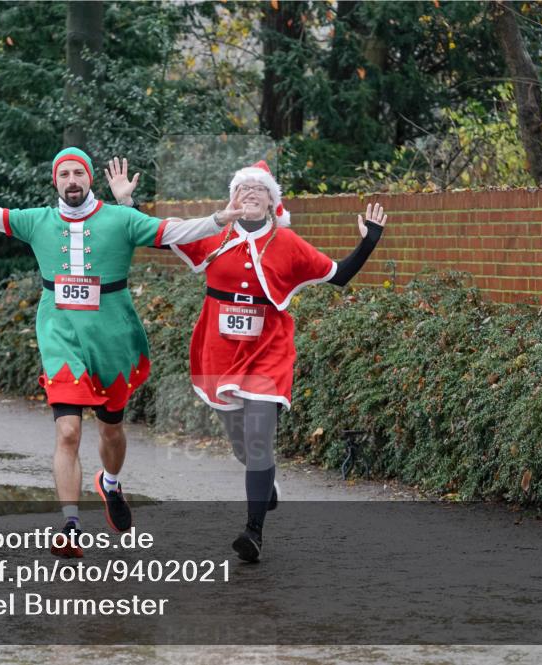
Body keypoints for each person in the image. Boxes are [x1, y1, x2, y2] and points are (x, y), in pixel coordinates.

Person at [0, 141, 244, 557]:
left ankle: (110, 483)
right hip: (60, 336)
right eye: (64, 175)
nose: (71, 181)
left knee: (111, 430)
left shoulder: (121, 220)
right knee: (68, 431)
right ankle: (70, 525)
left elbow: (173, 231)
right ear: (54, 181)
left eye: (78, 173)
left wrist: (219, 218)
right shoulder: (36, 221)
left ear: (90, 178)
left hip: (112, 339)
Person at [110, 159, 387, 562]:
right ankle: (265, 481)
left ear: (273, 202)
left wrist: (370, 241)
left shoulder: (289, 244)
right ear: (232, 199)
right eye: (244, 189)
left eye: (260, 189)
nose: (251, 193)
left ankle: (253, 532)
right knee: (243, 448)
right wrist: (127, 202)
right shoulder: (213, 235)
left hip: (268, 351)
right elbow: (157, 235)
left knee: (258, 438)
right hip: (219, 350)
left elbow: (339, 275)